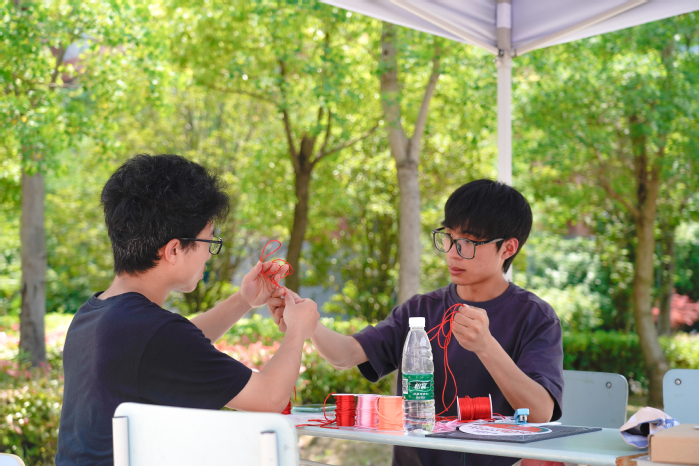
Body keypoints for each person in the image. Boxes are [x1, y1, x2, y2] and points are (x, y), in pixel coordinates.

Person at [269, 179, 564, 466]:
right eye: (449, 237)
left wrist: (486, 346)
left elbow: (540, 412)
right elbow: (345, 355)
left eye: (468, 242)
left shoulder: (536, 317)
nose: (452, 252)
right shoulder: (420, 309)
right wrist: (307, 322)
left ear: (508, 248)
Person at [56, 154, 319, 466]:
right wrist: (298, 329)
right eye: (209, 241)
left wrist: (244, 300)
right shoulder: (156, 333)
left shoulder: (94, 314)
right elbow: (270, 397)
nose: (209, 254)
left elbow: (175, 345)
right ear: (174, 249)